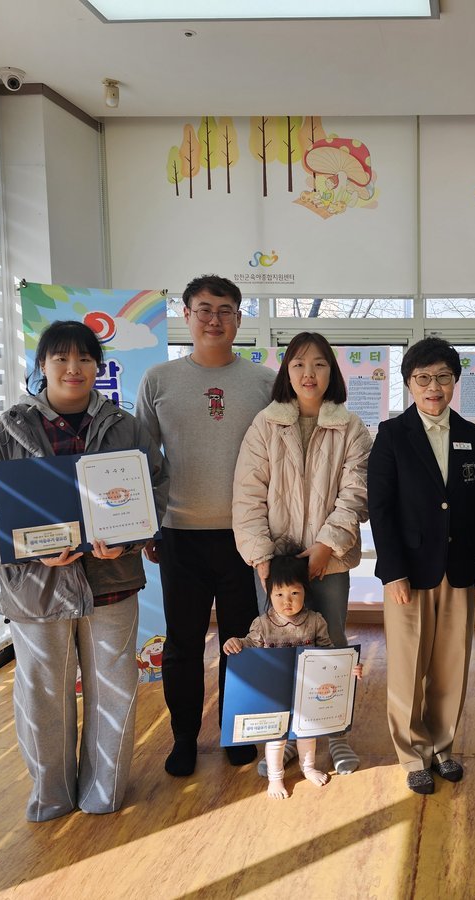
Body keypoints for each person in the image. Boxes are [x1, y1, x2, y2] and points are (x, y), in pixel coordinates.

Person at [0, 320, 168, 821]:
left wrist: (129, 541)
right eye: (61, 358)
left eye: (84, 359)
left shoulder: (126, 428)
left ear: (98, 366)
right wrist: (29, 551)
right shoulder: (7, 430)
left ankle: (104, 791)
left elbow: (157, 490)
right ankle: (50, 795)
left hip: (111, 583)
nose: (73, 368)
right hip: (37, 590)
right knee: (43, 697)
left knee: (114, 692)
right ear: (42, 365)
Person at [136, 275, 276, 777]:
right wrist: (147, 526)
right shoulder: (159, 379)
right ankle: (183, 738)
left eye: (225, 310)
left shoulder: (264, 382)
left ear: (238, 318)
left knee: (241, 639)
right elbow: (142, 461)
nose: (214, 319)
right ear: (186, 315)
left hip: (246, 535)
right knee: (182, 644)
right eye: (204, 309)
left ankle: (237, 730)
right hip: (179, 534)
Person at [233, 331, 371, 776]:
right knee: (278, 647)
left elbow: (356, 493)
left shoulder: (351, 427)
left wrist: (326, 546)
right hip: (274, 566)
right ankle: (287, 736)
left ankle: (336, 733)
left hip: (330, 560)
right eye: (298, 364)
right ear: (286, 372)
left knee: (330, 643)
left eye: (319, 364)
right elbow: (247, 495)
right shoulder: (265, 424)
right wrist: (261, 558)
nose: (308, 374)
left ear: (332, 372)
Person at [368, 337, 475, 795]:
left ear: (455, 381)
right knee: (408, 668)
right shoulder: (391, 434)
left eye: (442, 377)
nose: (433, 387)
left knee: (450, 664)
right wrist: (392, 571)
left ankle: (442, 745)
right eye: (423, 378)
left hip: (459, 568)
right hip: (408, 572)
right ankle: (412, 753)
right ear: (409, 383)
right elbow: (380, 508)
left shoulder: (471, 435)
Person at [222, 553, 364, 799]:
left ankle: (308, 768)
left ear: (305, 592)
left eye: (294, 593)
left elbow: (328, 653)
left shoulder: (315, 621)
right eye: (279, 594)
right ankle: (275, 778)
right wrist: (235, 643)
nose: (286, 601)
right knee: (276, 739)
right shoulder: (262, 624)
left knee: (306, 735)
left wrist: (348, 667)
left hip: (305, 694)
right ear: (269, 593)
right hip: (275, 693)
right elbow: (249, 645)